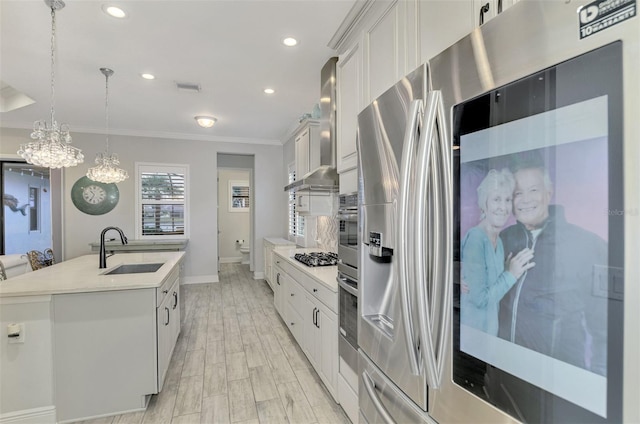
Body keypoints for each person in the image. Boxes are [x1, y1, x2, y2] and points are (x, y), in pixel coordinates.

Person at [498, 162, 608, 376]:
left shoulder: (587, 244)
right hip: (504, 369)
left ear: (549, 193)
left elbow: (604, 326)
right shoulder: (504, 238)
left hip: (556, 380)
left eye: (533, 190)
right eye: (518, 193)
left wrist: (595, 383)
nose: (526, 199)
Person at [461, 169, 535, 335]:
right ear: (484, 204)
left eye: (507, 200)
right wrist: (510, 275)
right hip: (473, 337)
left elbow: (492, 287)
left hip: (489, 334)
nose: (503, 207)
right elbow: (480, 300)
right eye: (496, 199)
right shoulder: (476, 238)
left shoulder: (499, 241)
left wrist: (506, 271)